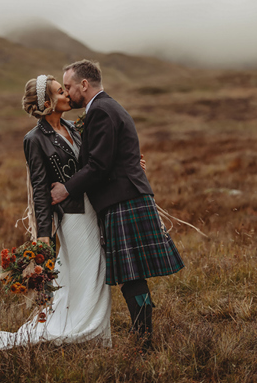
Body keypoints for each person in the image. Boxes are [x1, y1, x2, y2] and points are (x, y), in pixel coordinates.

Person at [0, 74, 112, 351]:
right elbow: (39, 190)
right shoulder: (34, 139)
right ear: (47, 102)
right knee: (84, 272)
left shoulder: (73, 127)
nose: (68, 95)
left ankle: (95, 333)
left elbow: (94, 164)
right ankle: (79, 331)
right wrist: (44, 236)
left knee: (97, 272)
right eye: (61, 92)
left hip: (94, 209)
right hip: (72, 217)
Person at [50, 59, 184, 350]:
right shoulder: (106, 107)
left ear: (84, 85)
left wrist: (65, 189)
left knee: (132, 276)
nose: (68, 93)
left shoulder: (100, 111)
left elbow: (98, 166)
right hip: (126, 196)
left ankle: (144, 341)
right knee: (133, 276)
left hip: (123, 200)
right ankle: (144, 337)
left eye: (70, 86)